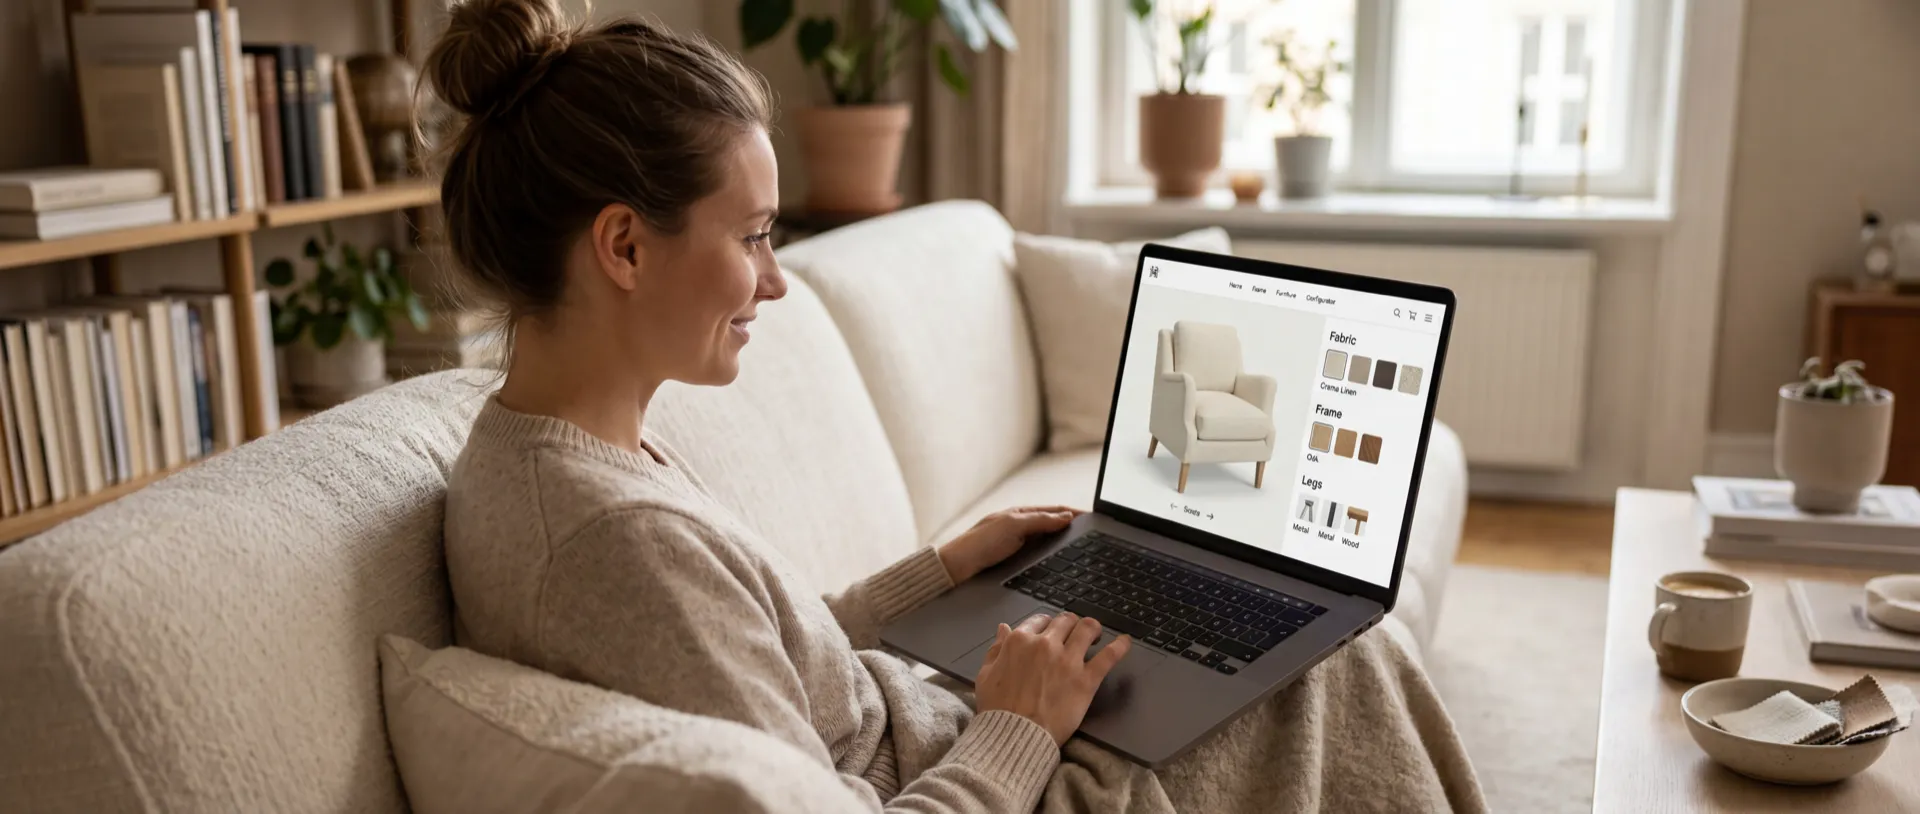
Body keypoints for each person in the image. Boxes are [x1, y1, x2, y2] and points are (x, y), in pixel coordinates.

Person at [432, 1, 1486, 811]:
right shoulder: (609, 542)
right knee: (1338, 654)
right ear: (622, 245)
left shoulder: (552, 452)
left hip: (957, 731)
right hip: (990, 774)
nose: (775, 280)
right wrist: (1022, 729)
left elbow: (759, 657)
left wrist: (937, 572)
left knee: (1272, 638)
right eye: (752, 235)